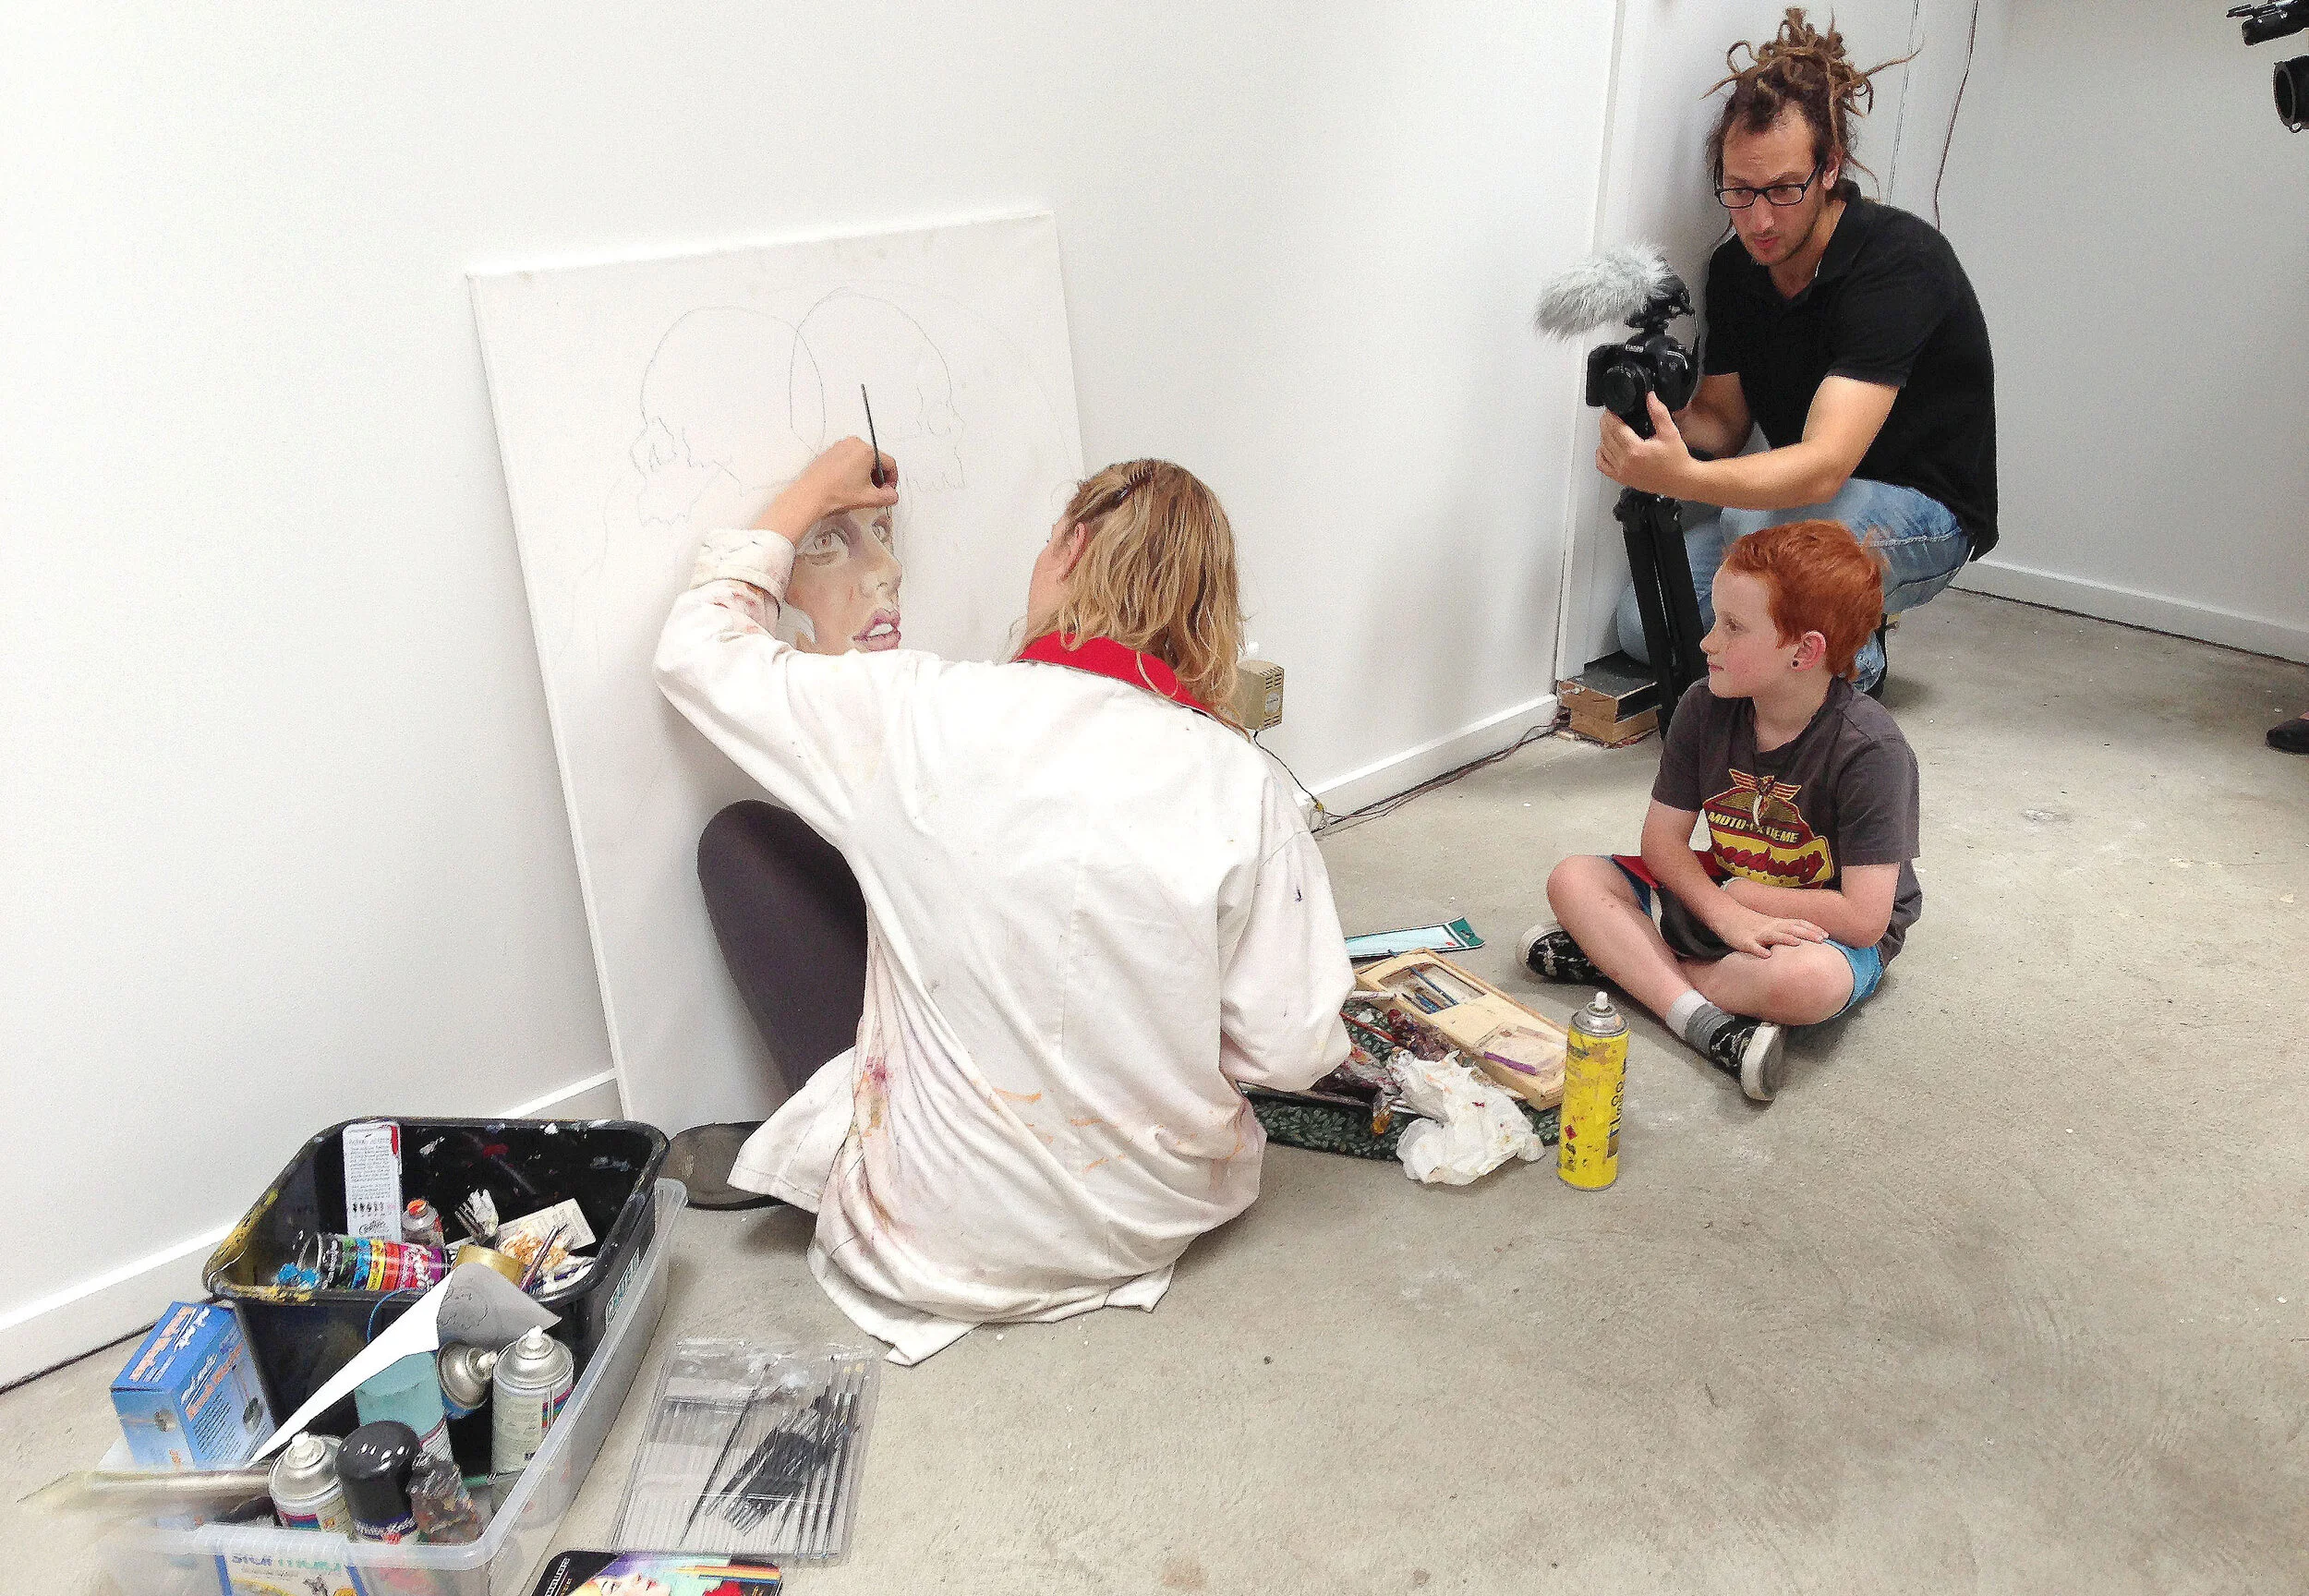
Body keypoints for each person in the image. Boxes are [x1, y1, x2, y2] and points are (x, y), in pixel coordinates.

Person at [655, 438, 1352, 1362]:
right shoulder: (1242, 781)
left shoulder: (918, 708)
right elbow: (1291, 1049)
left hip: (929, 1250)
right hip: (1151, 1221)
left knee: (744, 843)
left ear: (1068, 549)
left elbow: (696, 651)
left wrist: (815, 490)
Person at [1603, 8, 1997, 695]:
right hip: (1794, 508)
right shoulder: (1735, 270)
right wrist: (1656, 416)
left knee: (1770, 550)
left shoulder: (1899, 262)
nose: (1759, 219)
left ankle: (1850, 655)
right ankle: (1819, 633)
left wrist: (1683, 479)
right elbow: (1724, 424)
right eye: (1739, 191)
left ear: (1830, 169)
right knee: (1647, 626)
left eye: (1784, 190)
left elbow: (1822, 466)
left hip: (1922, 510)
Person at [1524, 520, 1923, 1103]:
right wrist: (1726, 912)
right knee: (1573, 878)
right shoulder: (1703, 705)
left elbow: (1864, 918)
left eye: (1733, 627)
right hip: (1723, 893)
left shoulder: (1871, 750)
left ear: (1805, 651)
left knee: (1808, 984)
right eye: (1716, 620)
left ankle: (1626, 964)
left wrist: (1745, 899)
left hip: (1817, 926)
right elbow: (1663, 842)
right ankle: (1702, 1020)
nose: (1708, 642)